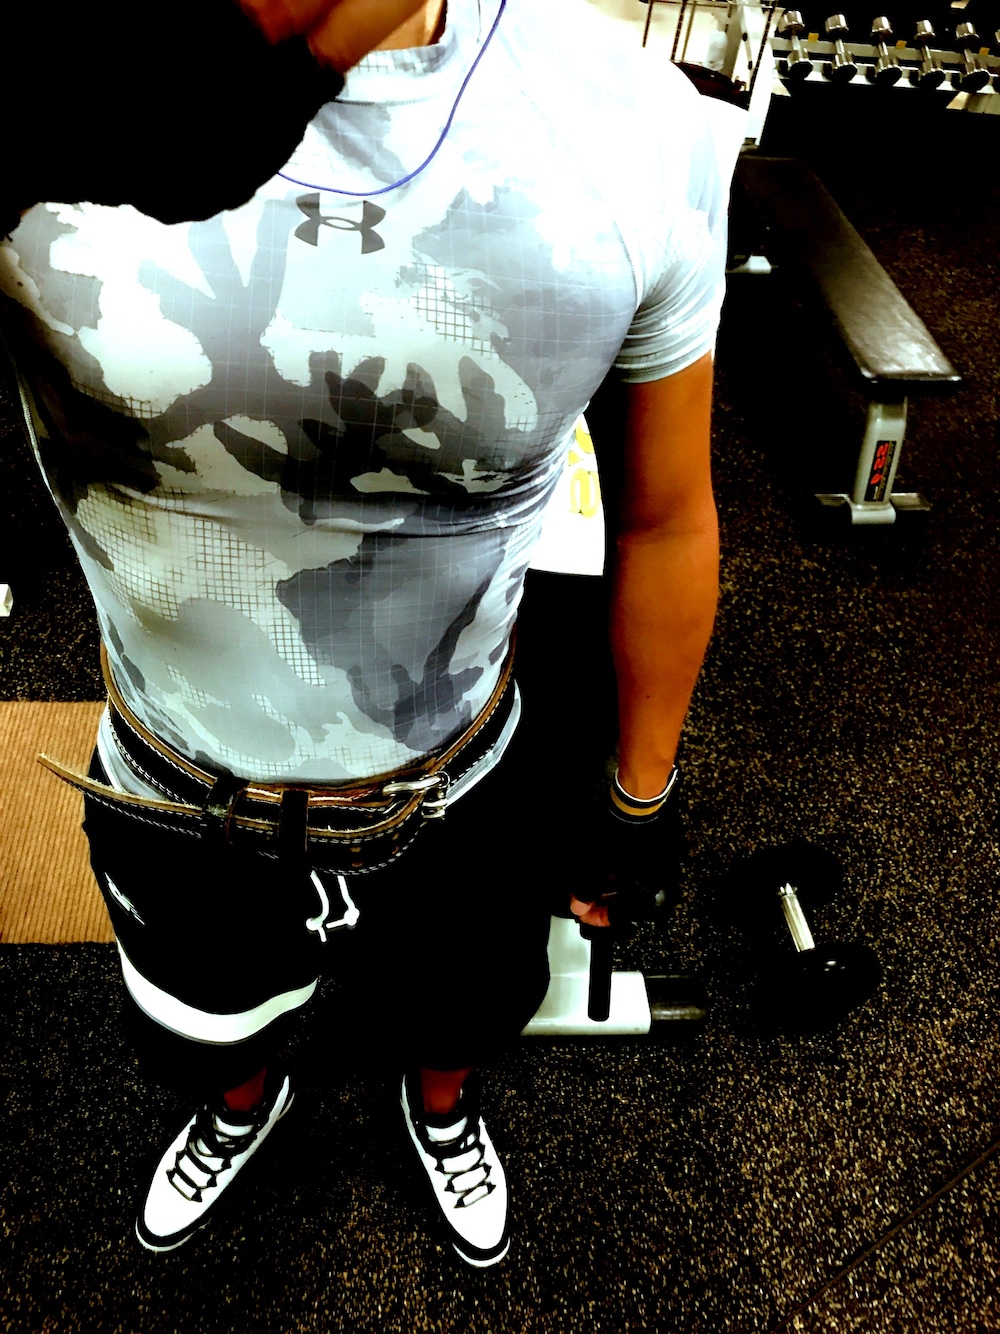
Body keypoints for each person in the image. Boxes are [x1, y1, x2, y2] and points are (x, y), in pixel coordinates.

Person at [0, 0, 726, 1269]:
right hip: (175, 783)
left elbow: (667, 516)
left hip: (460, 780)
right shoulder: (35, 100)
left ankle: (438, 1108)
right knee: (210, 1034)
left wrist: (639, 794)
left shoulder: (630, 124)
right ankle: (243, 1104)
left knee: (458, 1018)